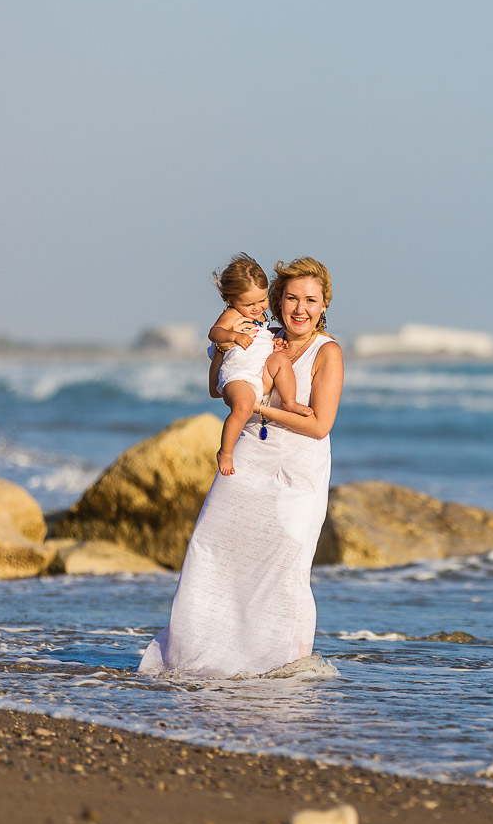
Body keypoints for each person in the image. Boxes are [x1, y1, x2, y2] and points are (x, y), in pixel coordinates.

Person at [139, 257, 345, 678]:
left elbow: (320, 425)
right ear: (276, 300)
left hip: (296, 479)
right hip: (245, 464)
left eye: (310, 300)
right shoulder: (261, 335)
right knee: (213, 557)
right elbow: (218, 389)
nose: (300, 309)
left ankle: (283, 672)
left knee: (285, 572)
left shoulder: (329, 352)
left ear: (324, 305)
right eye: (290, 298)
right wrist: (222, 350)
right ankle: (197, 666)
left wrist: (266, 407)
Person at [207, 254, 309, 476]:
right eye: (249, 304)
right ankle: (225, 451)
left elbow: (258, 341)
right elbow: (214, 333)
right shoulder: (232, 315)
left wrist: (272, 343)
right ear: (231, 301)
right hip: (238, 376)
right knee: (243, 407)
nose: (257, 308)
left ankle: (289, 402)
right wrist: (232, 336)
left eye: (261, 300)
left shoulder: (262, 318)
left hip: (258, 374)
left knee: (281, 360)